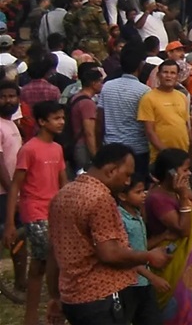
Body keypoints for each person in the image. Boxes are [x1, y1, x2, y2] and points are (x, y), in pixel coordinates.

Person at [50, 144, 172, 325]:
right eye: (127, 175)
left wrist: (55, 296)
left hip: (72, 297)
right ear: (111, 170)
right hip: (100, 297)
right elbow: (109, 253)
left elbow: (53, 250)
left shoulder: (62, 195)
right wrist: (149, 256)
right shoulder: (100, 198)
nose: (127, 182)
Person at [4, 100, 67, 325]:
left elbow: (63, 183)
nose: (61, 122)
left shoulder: (57, 148)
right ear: (41, 122)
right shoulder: (29, 149)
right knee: (47, 260)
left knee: (42, 265)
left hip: (54, 211)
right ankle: (40, 313)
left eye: (62, 117)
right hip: (35, 211)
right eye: (56, 118)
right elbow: (16, 187)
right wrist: (11, 223)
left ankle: (43, 313)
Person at [144, 148, 192, 325]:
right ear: (171, 172)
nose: (189, 173)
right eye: (185, 170)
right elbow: (183, 229)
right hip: (172, 265)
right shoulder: (158, 198)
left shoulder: (177, 193)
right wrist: (185, 197)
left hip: (190, 264)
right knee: (178, 312)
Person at [115, 174, 167, 325]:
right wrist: (152, 277)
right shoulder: (119, 219)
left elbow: (141, 247)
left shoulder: (137, 215)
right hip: (129, 284)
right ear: (122, 196)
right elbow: (126, 255)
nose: (143, 195)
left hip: (143, 282)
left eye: (144, 191)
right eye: (138, 192)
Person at [100, 43, 152, 165]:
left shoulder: (107, 87)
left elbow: (100, 121)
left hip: (111, 147)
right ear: (141, 65)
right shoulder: (144, 91)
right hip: (137, 149)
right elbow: (148, 126)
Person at [138, 59, 190, 160]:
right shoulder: (148, 98)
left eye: (172, 73)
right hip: (160, 157)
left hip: (183, 154)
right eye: (165, 72)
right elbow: (149, 131)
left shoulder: (182, 96)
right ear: (158, 75)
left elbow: (187, 125)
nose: (169, 76)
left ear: (177, 76)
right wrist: (167, 153)